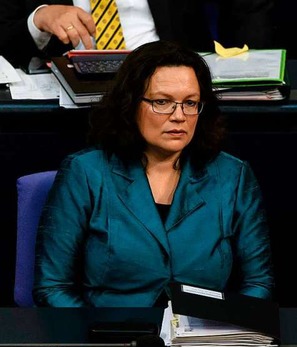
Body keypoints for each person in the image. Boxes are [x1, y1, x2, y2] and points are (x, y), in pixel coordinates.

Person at [32, 39, 274, 307]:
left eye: (190, 103)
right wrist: (95, 338)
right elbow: (52, 287)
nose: (179, 115)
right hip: (111, 338)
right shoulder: (86, 172)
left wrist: (226, 332)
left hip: (204, 338)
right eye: (162, 101)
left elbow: (258, 284)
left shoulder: (233, 176)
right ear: (131, 104)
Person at [0, 1, 274, 68]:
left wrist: (253, 70)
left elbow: (248, 9)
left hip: (168, 77)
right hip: (68, 94)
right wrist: (38, 19)